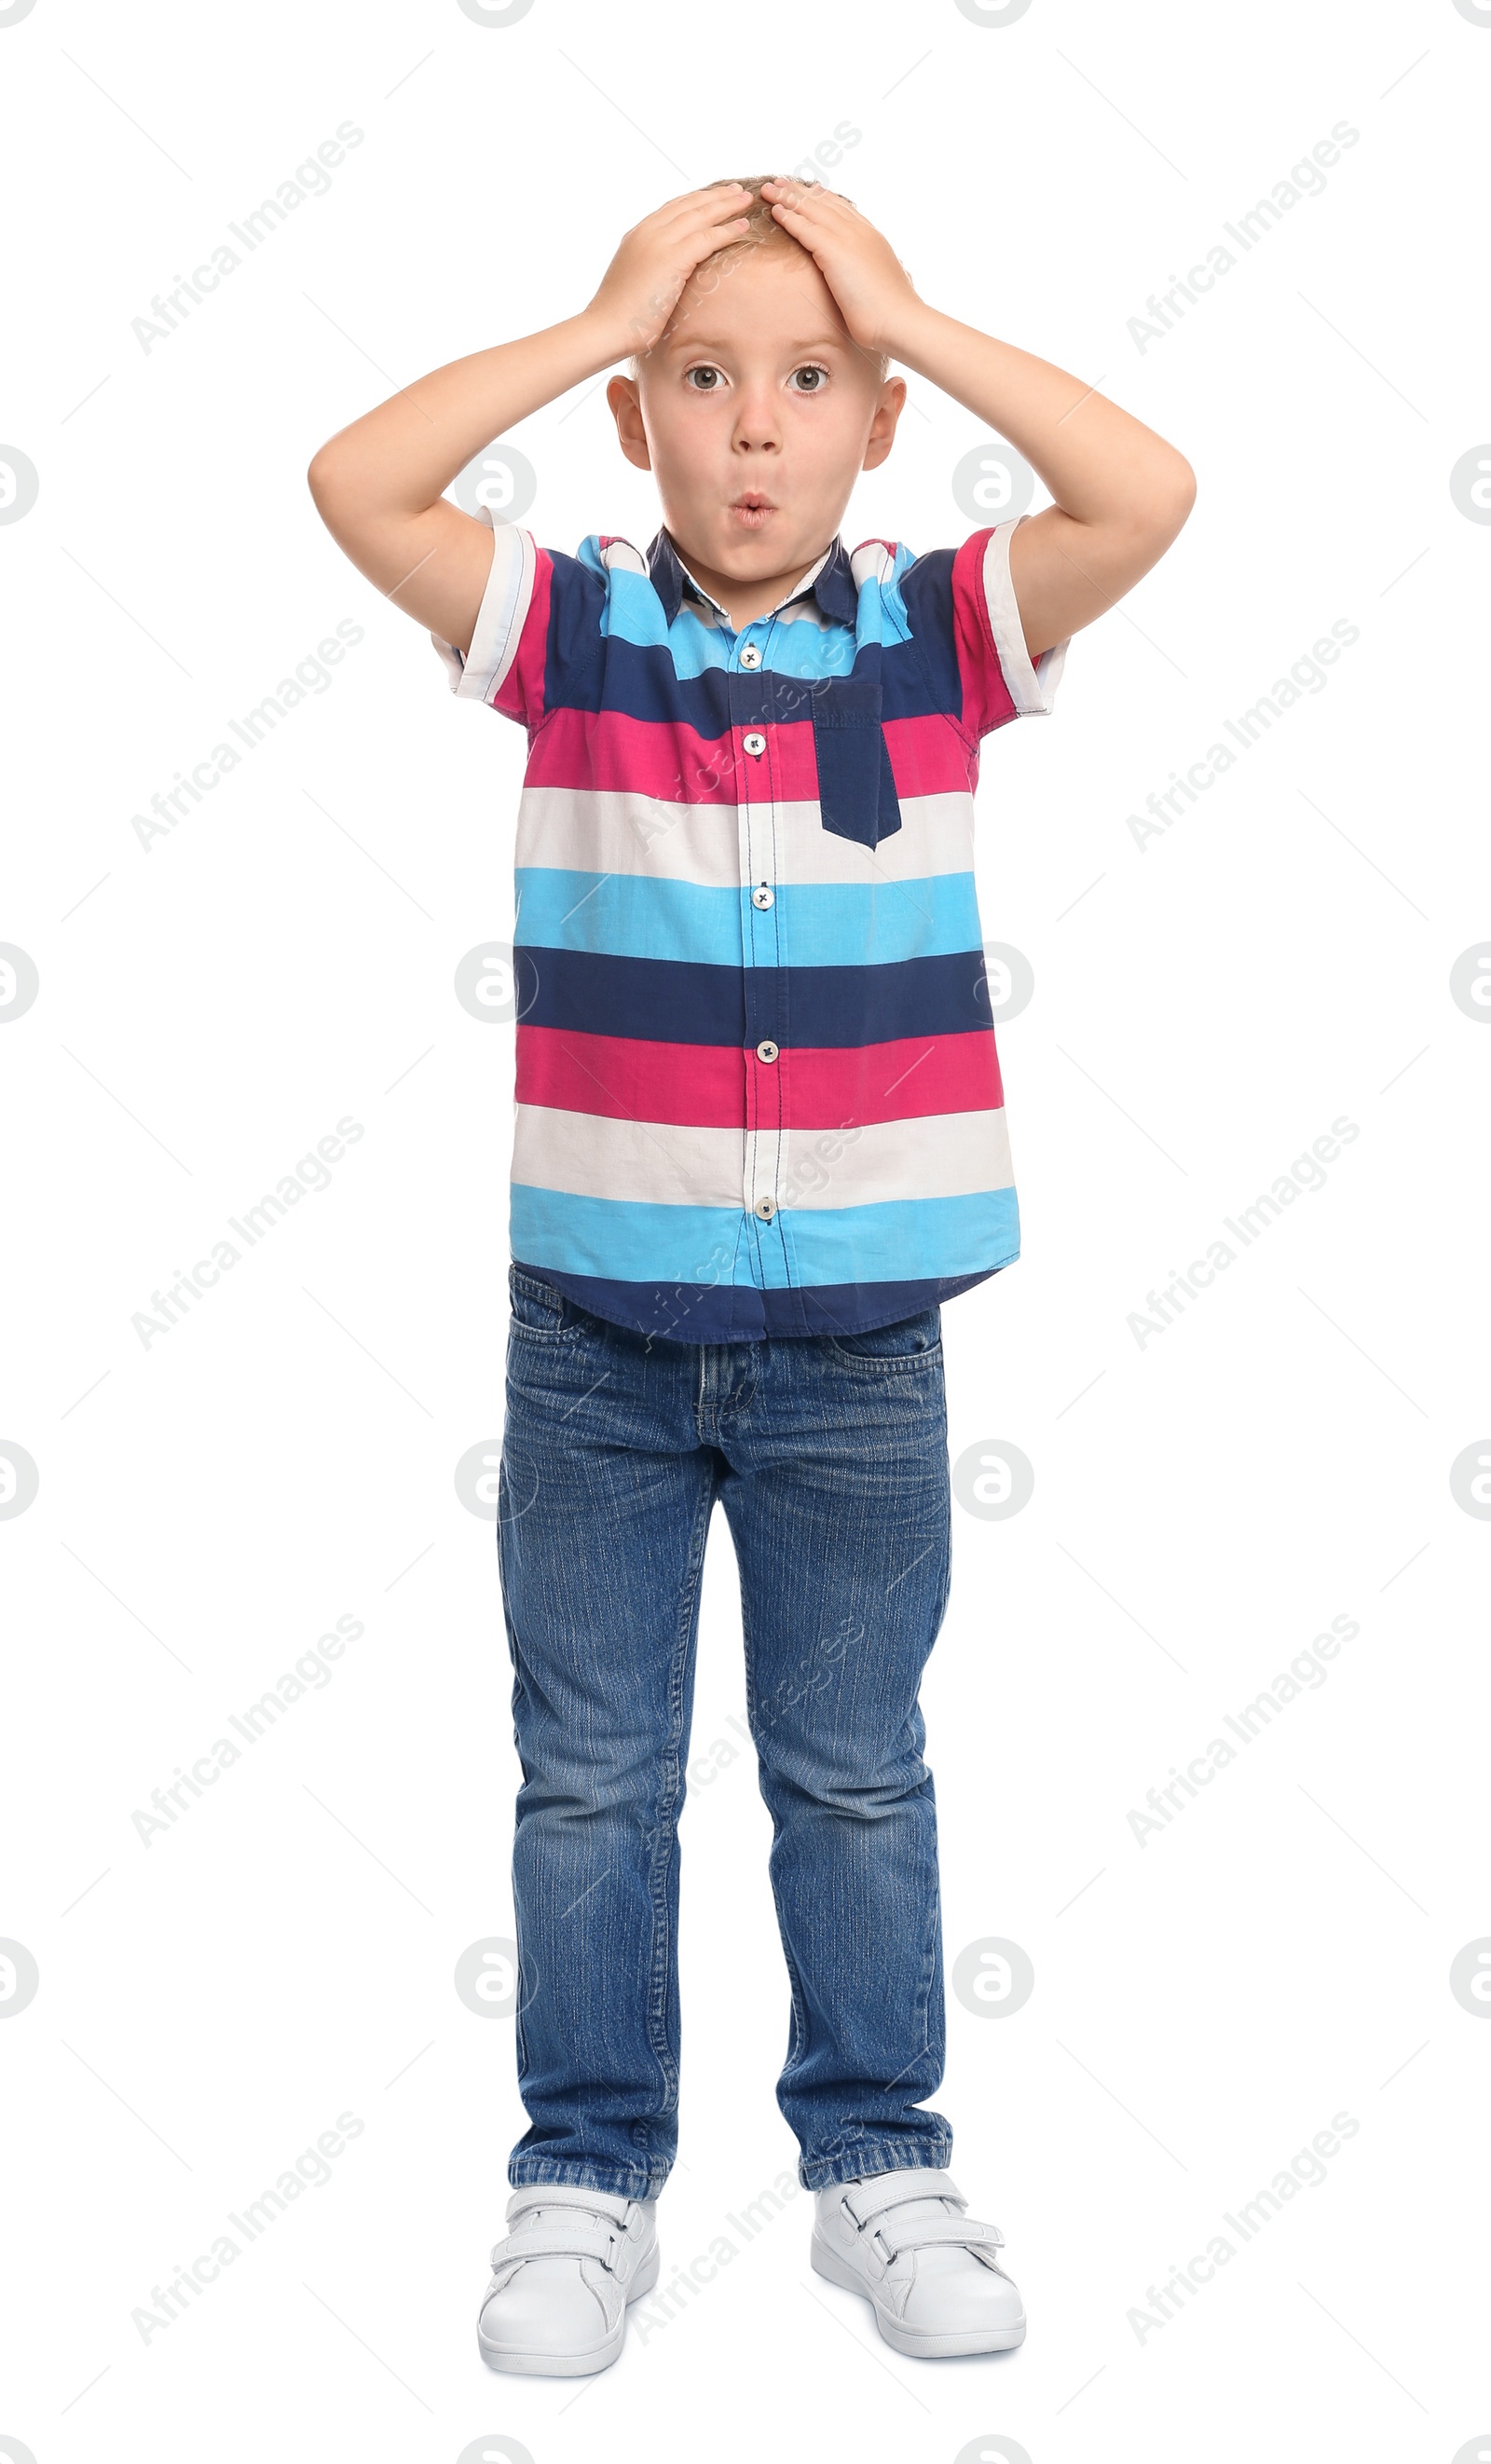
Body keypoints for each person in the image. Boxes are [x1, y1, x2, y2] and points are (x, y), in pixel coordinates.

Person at [308, 172, 1194, 2376]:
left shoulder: (929, 643)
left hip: (857, 1354)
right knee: (591, 1771)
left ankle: (876, 2155)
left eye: (808, 381)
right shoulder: (573, 640)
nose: (754, 428)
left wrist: (909, 306)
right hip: (598, 1340)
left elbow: (1146, 488)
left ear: (878, 423)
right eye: (700, 382)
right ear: (636, 424)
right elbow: (354, 479)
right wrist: (595, 304)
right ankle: (583, 2175)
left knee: (853, 1768)